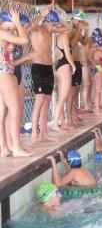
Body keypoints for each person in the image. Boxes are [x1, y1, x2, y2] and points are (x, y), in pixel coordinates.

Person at [20, 9, 70, 143]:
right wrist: (42, 15)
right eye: (52, 24)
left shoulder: (50, 31)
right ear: (46, 22)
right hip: (38, 68)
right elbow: (31, 24)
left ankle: (44, 133)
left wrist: (58, 20)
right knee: (39, 100)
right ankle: (34, 134)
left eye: (55, 25)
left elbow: (67, 27)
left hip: (48, 68)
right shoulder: (37, 29)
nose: (54, 27)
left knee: (47, 101)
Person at [0, 10, 30, 157]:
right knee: (15, 108)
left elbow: (24, 34)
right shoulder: (1, 32)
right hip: (3, 72)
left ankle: (4, 148)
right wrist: (17, 22)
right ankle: (16, 148)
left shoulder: (6, 33)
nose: (15, 27)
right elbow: (25, 40)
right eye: (13, 22)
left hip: (6, 71)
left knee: (3, 113)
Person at [50, 22, 75, 131]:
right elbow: (68, 54)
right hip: (64, 67)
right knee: (63, 97)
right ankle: (55, 123)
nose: (70, 29)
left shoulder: (59, 37)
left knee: (61, 97)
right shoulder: (63, 36)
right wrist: (73, 66)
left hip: (60, 66)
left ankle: (62, 123)